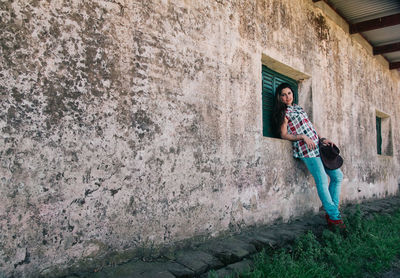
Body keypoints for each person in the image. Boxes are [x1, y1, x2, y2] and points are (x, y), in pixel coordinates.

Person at [272, 82, 345, 229]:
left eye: (289, 93)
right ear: (279, 97)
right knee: (322, 180)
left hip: (318, 146)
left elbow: (310, 126)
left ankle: (332, 213)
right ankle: (335, 217)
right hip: (306, 149)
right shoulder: (283, 113)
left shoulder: (299, 108)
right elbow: (284, 134)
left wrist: (322, 139)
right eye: (283, 95)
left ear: (293, 94)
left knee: (337, 176)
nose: (287, 97)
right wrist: (302, 137)